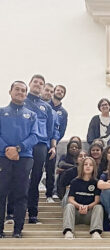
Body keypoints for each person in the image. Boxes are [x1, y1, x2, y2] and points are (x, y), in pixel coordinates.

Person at [0, 81, 39, 238]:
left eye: (24, 90)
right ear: (10, 91)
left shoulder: (32, 115)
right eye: (17, 89)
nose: (21, 92)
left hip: (24, 158)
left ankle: (17, 230)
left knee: (21, 194)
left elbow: (35, 136)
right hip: (3, 157)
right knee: (1, 194)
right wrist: (6, 149)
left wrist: (18, 148)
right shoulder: (1, 112)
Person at [24, 74, 54, 224]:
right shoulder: (21, 101)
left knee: (35, 179)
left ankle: (33, 213)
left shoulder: (47, 107)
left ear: (43, 87)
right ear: (30, 83)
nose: (37, 84)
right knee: (19, 179)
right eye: (35, 81)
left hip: (40, 146)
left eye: (40, 83)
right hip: (22, 145)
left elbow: (50, 130)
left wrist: (48, 144)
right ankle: (10, 213)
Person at [63, 157, 103, 239]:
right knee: (69, 206)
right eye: (85, 164)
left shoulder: (96, 182)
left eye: (91, 165)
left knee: (99, 207)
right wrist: (79, 206)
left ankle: (95, 232)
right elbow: (70, 199)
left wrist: (87, 207)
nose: (88, 166)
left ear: (94, 168)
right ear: (82, 166)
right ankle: (68, 231)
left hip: (89, 215)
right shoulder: (75, 181)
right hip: (76, 214)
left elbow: (97, 200)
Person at [40, 83, 60, 203]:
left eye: (51, 92)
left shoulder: (53, 112)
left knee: (50, 171)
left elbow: (55, 131)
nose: (48, 93)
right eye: (46, 90)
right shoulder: (31, 106)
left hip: (49, 146)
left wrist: (53, 146)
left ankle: (49, 195)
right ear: (42, 90)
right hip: (34, 146)